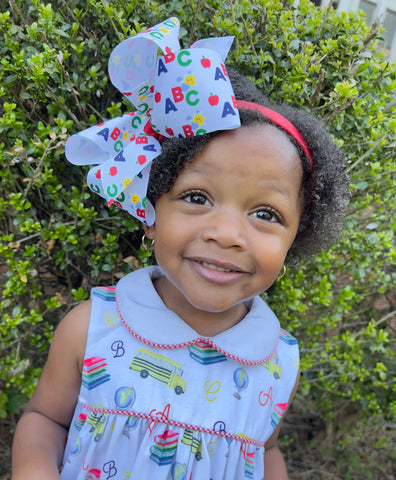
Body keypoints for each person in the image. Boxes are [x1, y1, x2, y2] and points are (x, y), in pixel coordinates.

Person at [11, 17, 349, 480]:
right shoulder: (93, 329)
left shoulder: (278, 361)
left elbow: (264, 450)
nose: (226, 233)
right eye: (197, 198)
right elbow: (46, 418)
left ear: (297, 238)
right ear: (151, 211)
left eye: (266, 214)